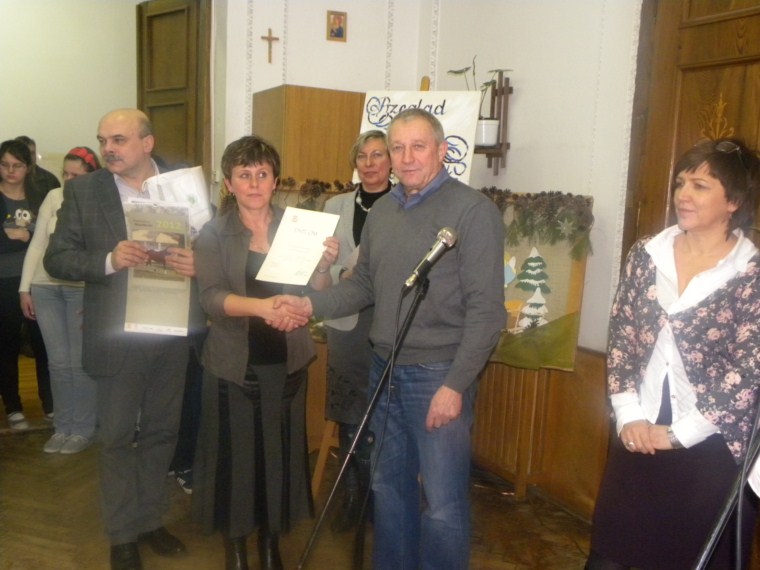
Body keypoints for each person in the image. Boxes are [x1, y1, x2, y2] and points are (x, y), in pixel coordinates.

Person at [278, 108, 506, 569]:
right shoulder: (382, 210)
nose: (407, 158)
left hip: (438, 374)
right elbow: (364, 285)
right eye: (398, 148)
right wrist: (309, 305)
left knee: (441, 503)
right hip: (384, 369)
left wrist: (455, 385)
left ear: (442, 151)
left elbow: (487, 312)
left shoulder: (472, 212)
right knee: (388, 488)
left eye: (418, 146)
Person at [586, 138, 760, 570]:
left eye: (700, 185)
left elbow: (748, 371)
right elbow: (623, 332)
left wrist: (679, 434)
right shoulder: (647, 254)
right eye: (681, 182)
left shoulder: (750, 273)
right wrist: (628, 415)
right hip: (638, 428)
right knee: (611, 555)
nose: (683, 194)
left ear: (734, 201)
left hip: (710, 446)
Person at [44, 109, 196, 570]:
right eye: (103, 140)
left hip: (171, 331)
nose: (107, 149)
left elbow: (209, 243)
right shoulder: (84, 191)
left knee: (161, 432)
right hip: (117, 334)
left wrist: (199, 263)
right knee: (115, 437)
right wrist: (109, 260)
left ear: (147, 143)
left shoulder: (182, 185)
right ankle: (122, 534)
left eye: (118, 140)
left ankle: (150, 520)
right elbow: (58, 258)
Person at [191, 135, 338, 570]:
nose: (254, 183)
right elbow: (210, 299)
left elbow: (318, 291)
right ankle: (236, 549)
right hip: (235, 366)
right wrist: (262, 308)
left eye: (262, 174)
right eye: (244, 175)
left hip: (287, 363)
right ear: (229, 184)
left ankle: (270, 545)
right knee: (237, 464)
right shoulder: (213, 234)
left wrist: (324, 267)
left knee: (278, 460)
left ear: (275, 180)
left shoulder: (298, 228)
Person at [322, 130, 392, 532]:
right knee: (351, 413)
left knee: (386, 412)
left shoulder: (406, 205)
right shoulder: (334, 206)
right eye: (362, 156)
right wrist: (342, 274)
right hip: (347, 322)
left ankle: (380, 497)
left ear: (391, 161)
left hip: (390, 321)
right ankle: (353, 494)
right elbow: (319, 267)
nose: (369, 163)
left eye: (378, 155)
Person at [19, 147, 101, 454]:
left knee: (80, 364)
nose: (68, 180)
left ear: (91, 176)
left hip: (80, 289)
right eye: (65, 173)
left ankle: (83, 429)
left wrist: (97, 296)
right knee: (58, 363)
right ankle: (63, 426)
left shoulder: (100, 202)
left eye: (75, 175)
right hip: (46, 288)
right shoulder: (54, 197)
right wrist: (25, 289)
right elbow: (38, 245)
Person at [0, 139, 52, 430]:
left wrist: (26, 236)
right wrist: (14, 239)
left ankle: (50, 404)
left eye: (17, 165)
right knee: (7, 345)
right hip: (4, 281)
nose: (10, 171)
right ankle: (13, 407)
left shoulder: (39, 197)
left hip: (36, 280)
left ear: (28, 167)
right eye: (4, 165)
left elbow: (47, 237)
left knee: (43, 343)